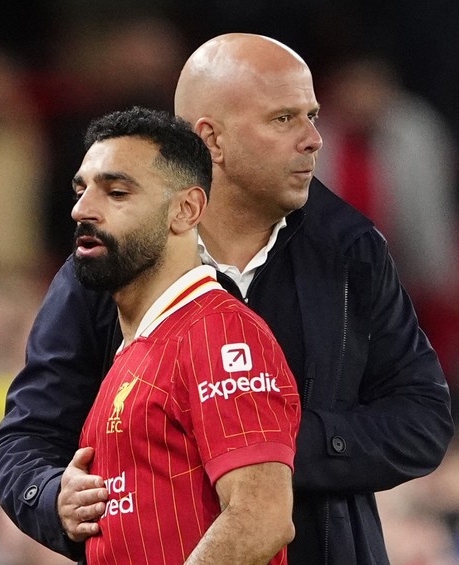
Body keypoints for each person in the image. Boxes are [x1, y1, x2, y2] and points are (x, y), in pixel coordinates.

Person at [0, 33, 454, 565]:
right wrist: (52, 497)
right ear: (210, 139)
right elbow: (25, 436)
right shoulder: (110, 257)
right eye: (284, 119)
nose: (314, 139)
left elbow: (422, 420)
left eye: (313, 115)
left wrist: (262, 443)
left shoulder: (351, 249)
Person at [69, 106, 300, 563]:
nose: (82, 209)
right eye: (80, 190)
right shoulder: (135, 350)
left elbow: (262, 515)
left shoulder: (221, 333)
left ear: (186, 209)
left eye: (115, 192)